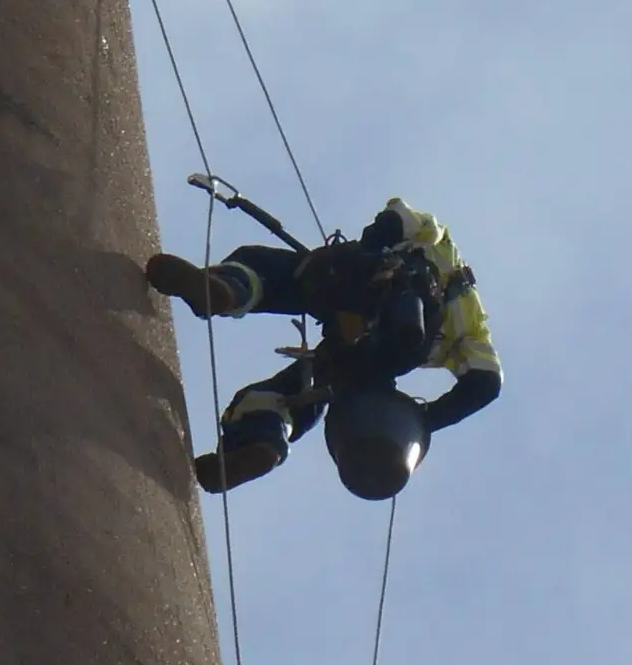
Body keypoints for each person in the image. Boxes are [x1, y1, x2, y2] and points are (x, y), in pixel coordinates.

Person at [146, 198, 501, 495]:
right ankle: (264, 440)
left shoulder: (440, 243)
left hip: (362, 280)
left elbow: (400, 218)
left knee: (268, 270)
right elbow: (486, 382)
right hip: (379, 359)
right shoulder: (471, 327)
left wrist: (367, 246)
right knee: (311, 387)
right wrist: (426, 420)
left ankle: (229, 290)